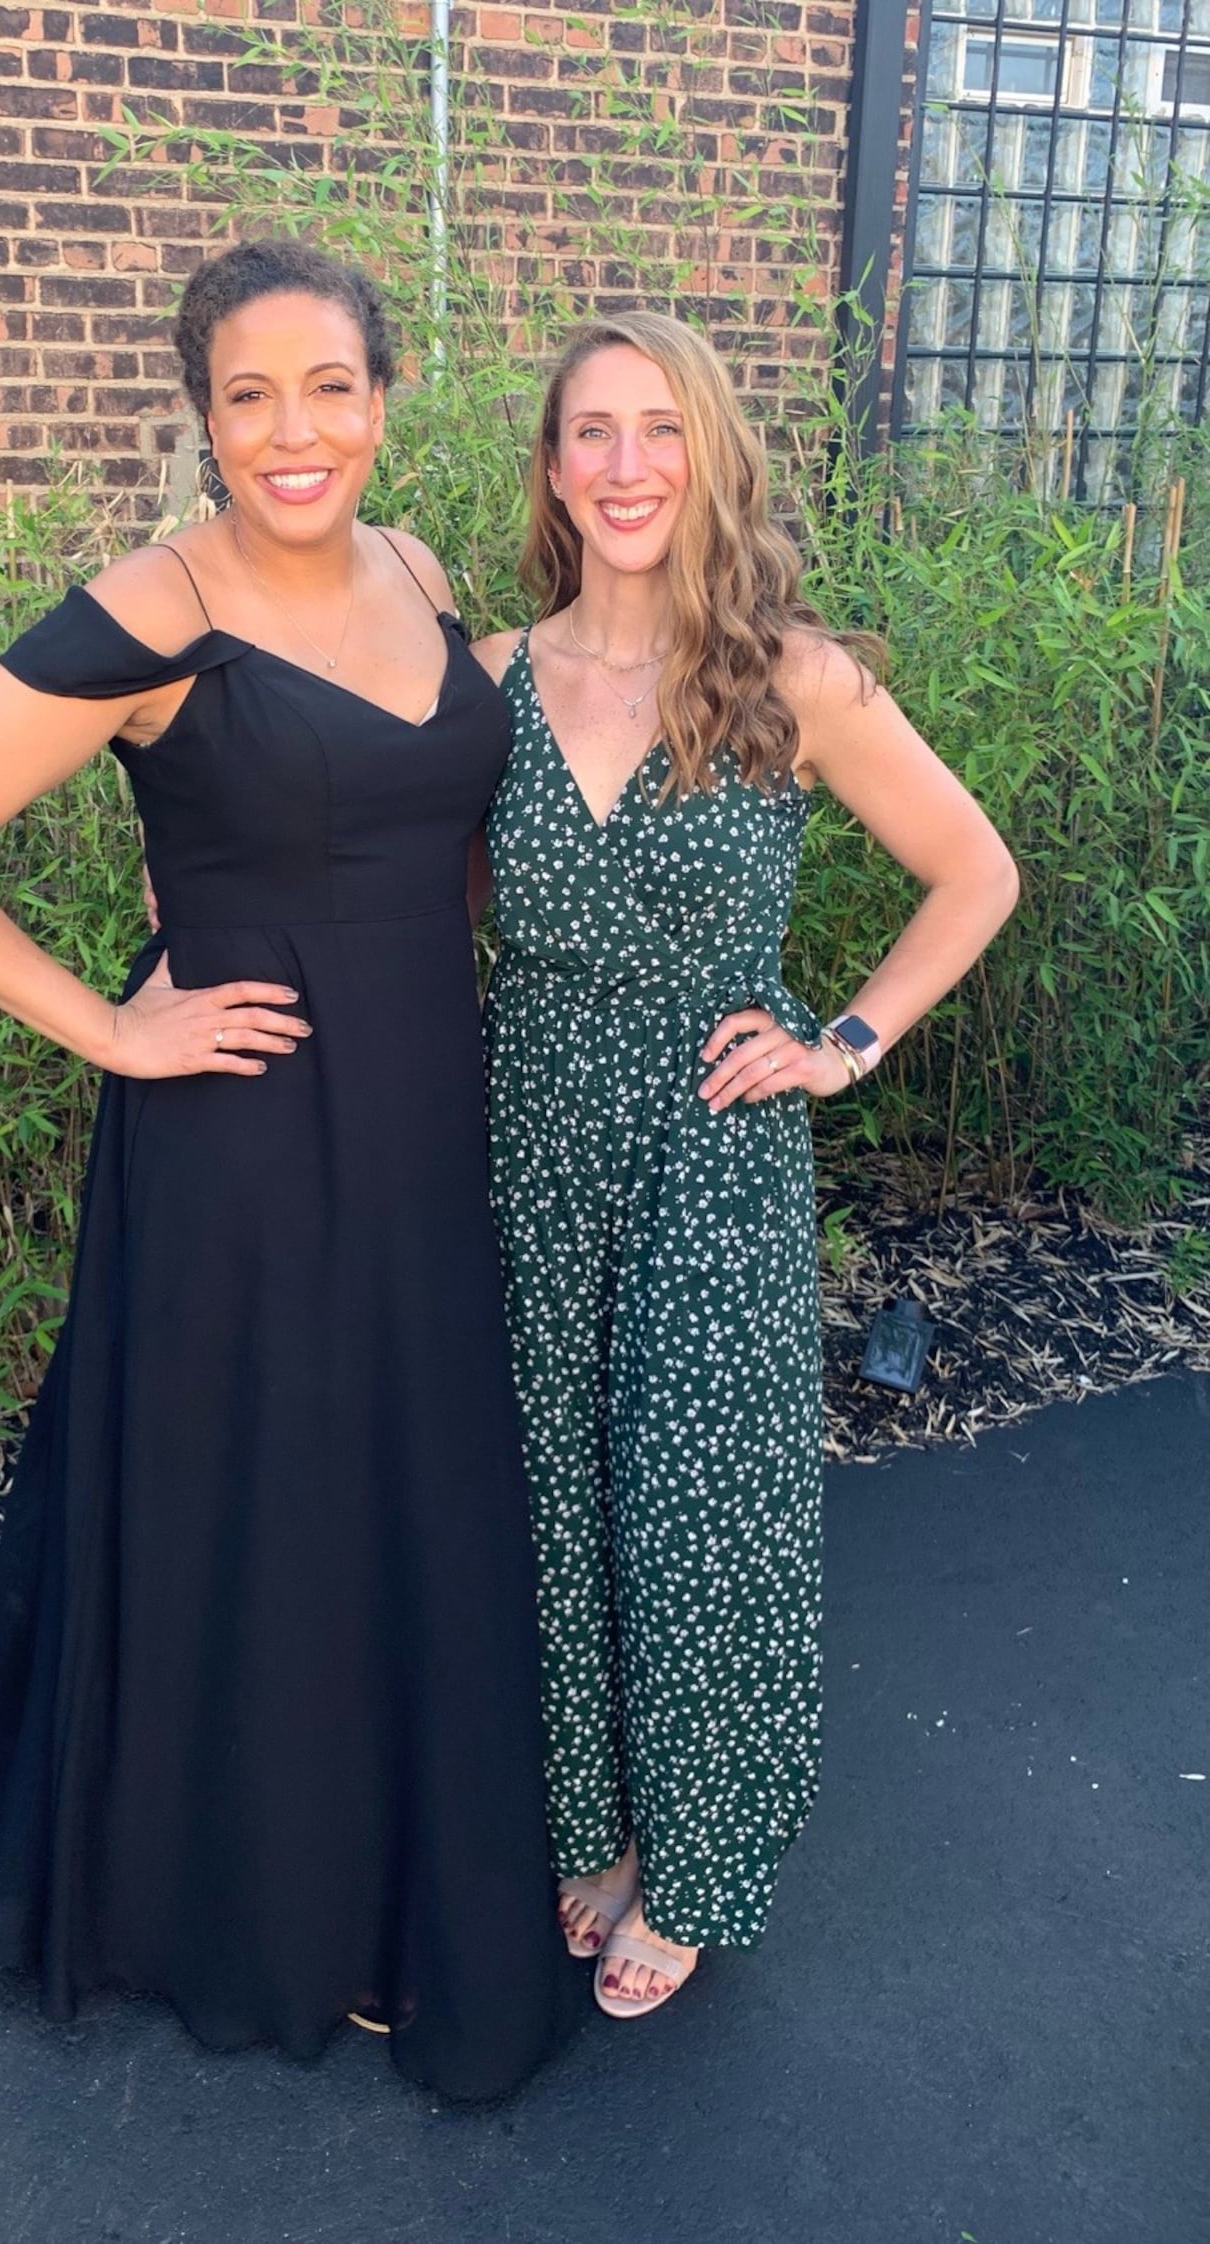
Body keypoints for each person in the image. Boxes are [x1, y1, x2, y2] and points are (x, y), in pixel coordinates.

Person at [0, 238, 572, 2101]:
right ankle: (265, 1905)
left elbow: (419, 826)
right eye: (249, 396)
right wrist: (116, 1024)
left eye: (329, 387)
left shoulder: (419, 571)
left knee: (406, 1490)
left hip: (422, 1124)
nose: (293, 430)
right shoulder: (152, 614)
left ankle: (403, 1865)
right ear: (204, 421)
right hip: (245, 1149)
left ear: (386, 398)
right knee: (283, 1507)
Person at [470, 313, 1019, 2019]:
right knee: (550, 1488)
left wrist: (840, 1041)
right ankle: (597, 1820)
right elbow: (427, 902)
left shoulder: (794, 676)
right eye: (591, 434)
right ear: (553, 469)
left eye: (659, 429)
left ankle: (701, 1861)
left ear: (710, 452)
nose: (627, 466)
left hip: (718, 1139)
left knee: (707, 1508)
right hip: (534, 1121)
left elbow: (974, 873)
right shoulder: (485, 677)